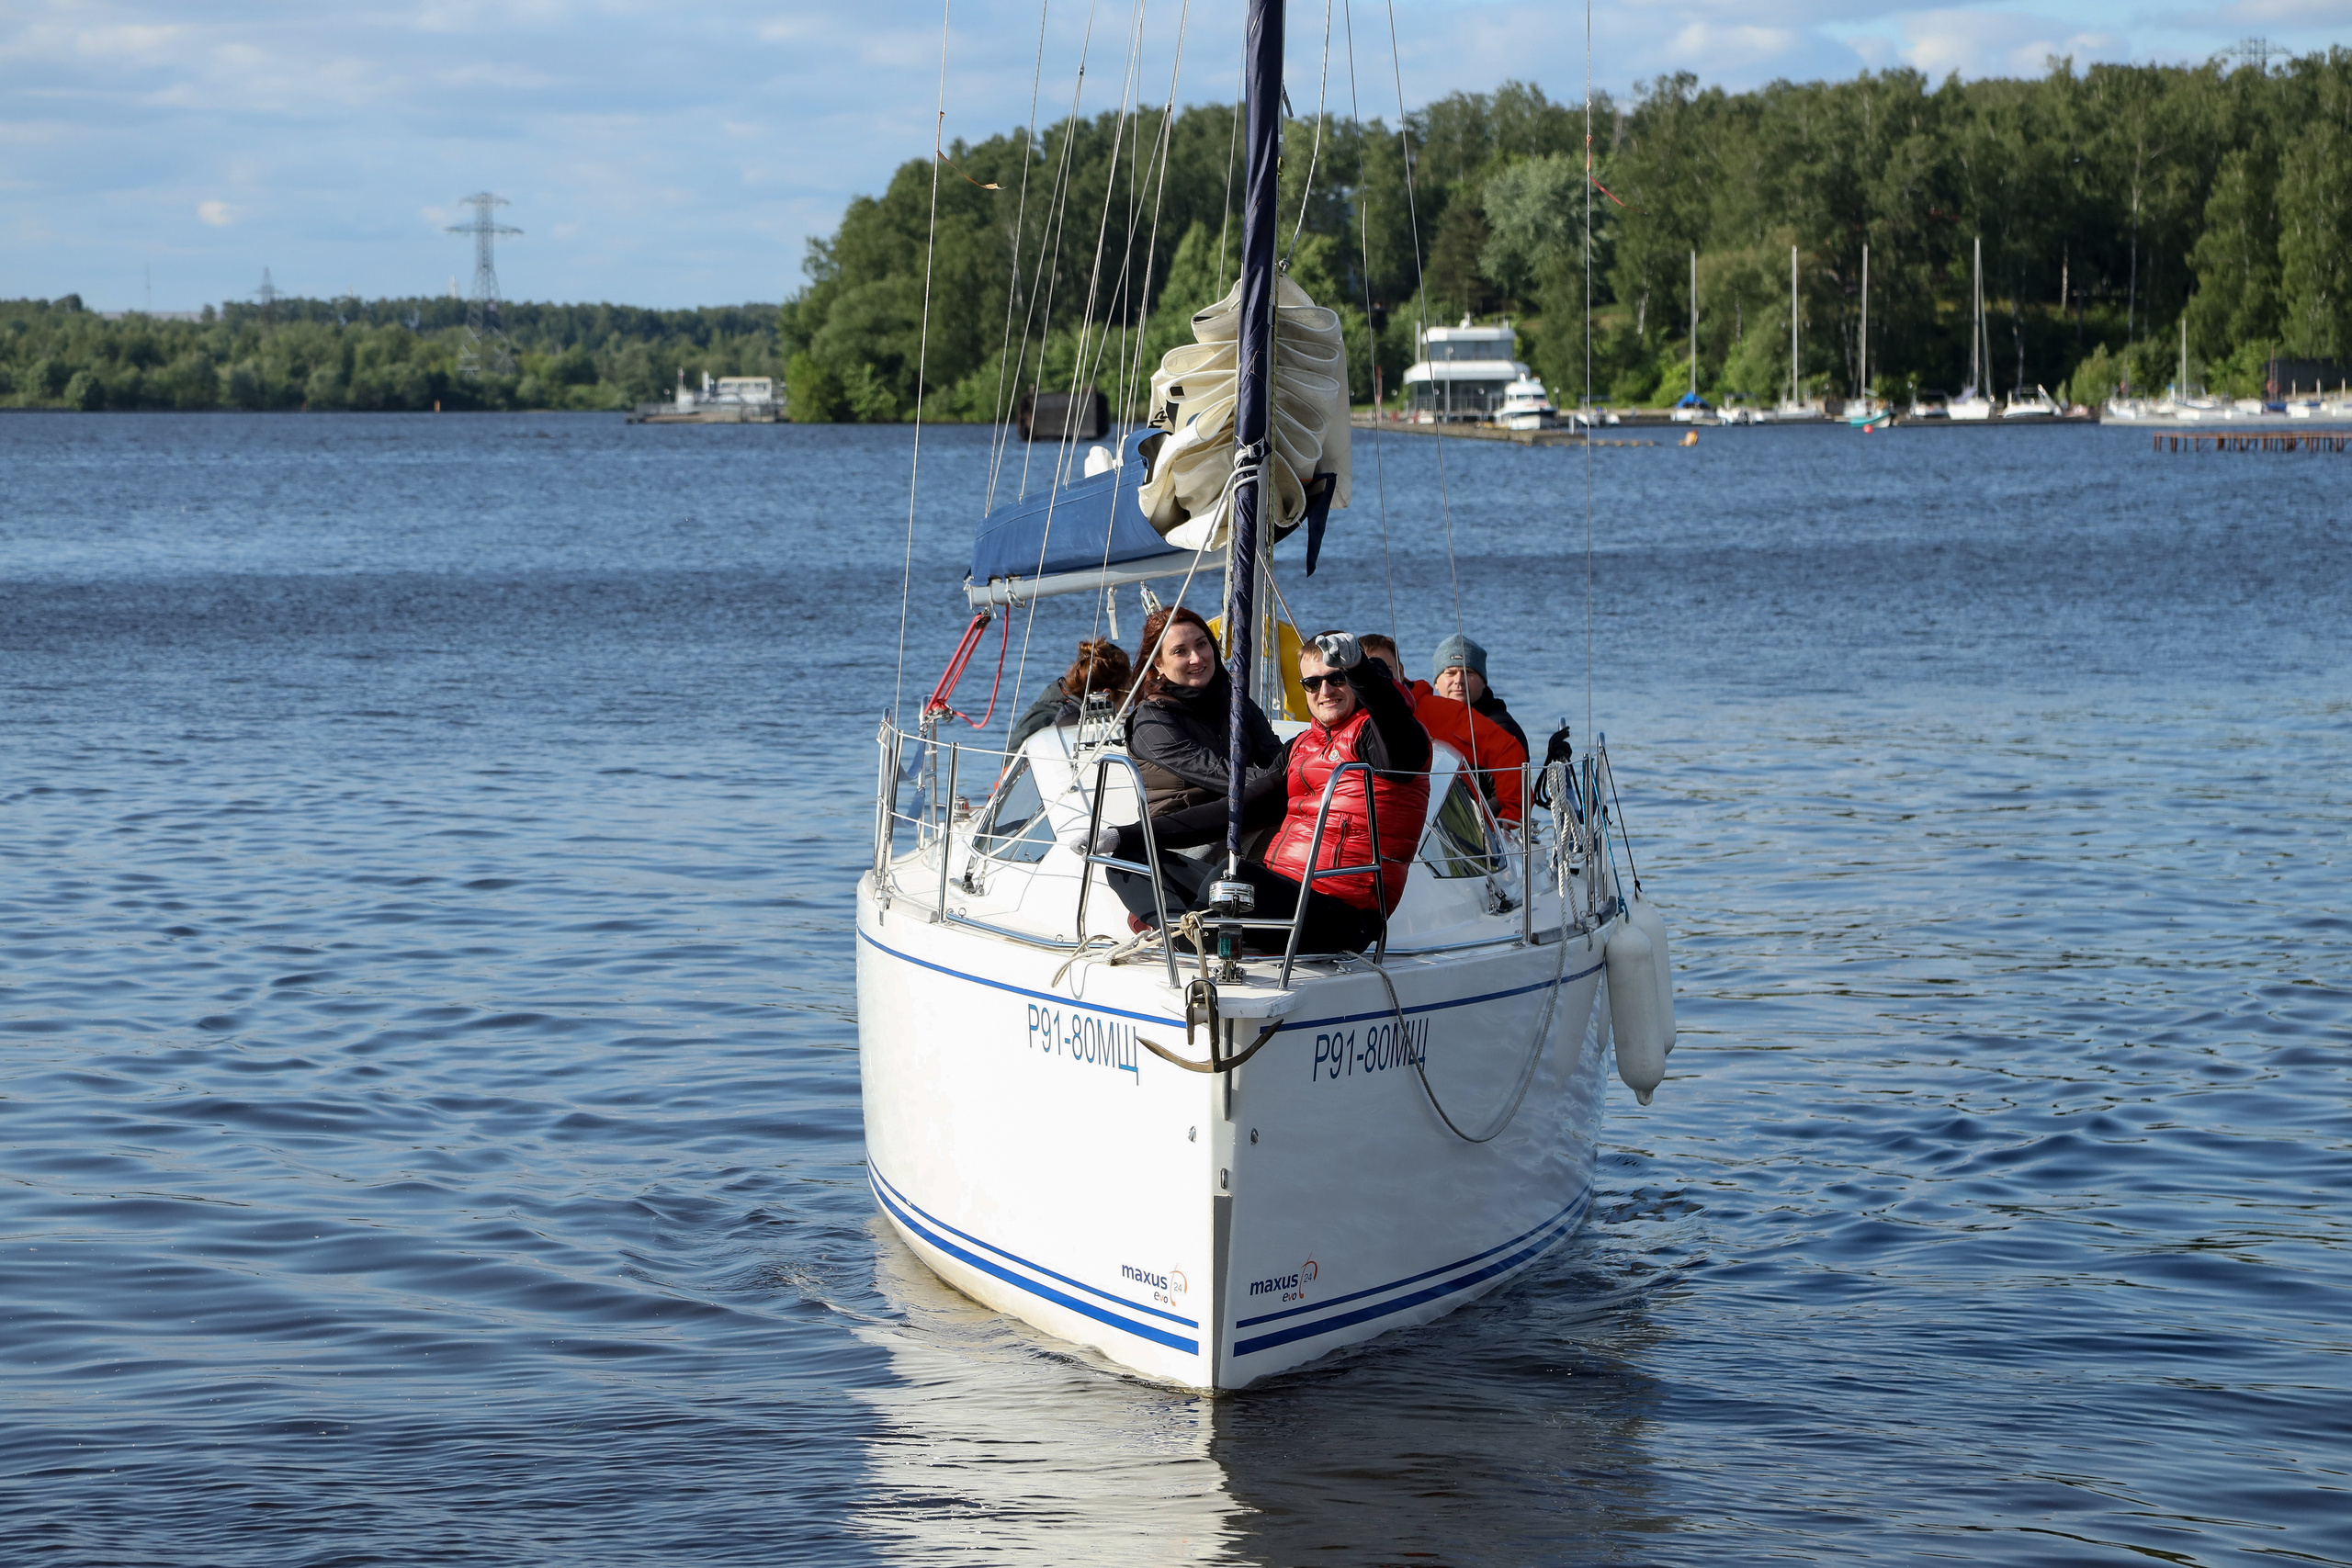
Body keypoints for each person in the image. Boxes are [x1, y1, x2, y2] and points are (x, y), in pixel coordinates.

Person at [1092, 630, 1430, 955]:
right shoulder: (1302, 746)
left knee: (1234, 876)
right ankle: (1182, 931)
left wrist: (1362, 670)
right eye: (1312, 683)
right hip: (1283, 894)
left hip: (1343, 913)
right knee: (1131, 860)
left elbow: (1396, 726)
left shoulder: (1382, 738)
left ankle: (1189, 937)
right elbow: (1236, 810)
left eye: (1337, 678)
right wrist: (1124, 835)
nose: (1325, 690)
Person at [1125, 605, 1283, 818]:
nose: (1197, 658)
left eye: (1201, 645)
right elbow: (1215, 772)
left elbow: (1276, 756)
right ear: (1159, 664)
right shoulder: (1151, 719)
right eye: (1180, 651)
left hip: (1241, 818)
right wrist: (1288, 780)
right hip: (1182, 834)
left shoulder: (1235, 701)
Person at [1362, 633, 1527, 822]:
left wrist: (1507, 819)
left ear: (1400, 670)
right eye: (1365, 671)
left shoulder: (1445, 713)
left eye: (1383, 668)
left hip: (1439, 834)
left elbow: (1508, 751)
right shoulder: (1339, 717)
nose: (1373, 677)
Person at [1006, 637, 1132, 753]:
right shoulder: (1056, 716)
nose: (1131, 703)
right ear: (1107, 696)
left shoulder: (1070, 706)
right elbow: (1009, 767)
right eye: (1129, 694)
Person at [1430, 633, 1528, 750]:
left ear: (1483, 682)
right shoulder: (1425, 725)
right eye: (1450, 673)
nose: (1459, 680)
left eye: (1468, 673)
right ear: (1436, 683)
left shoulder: (1503, 729)